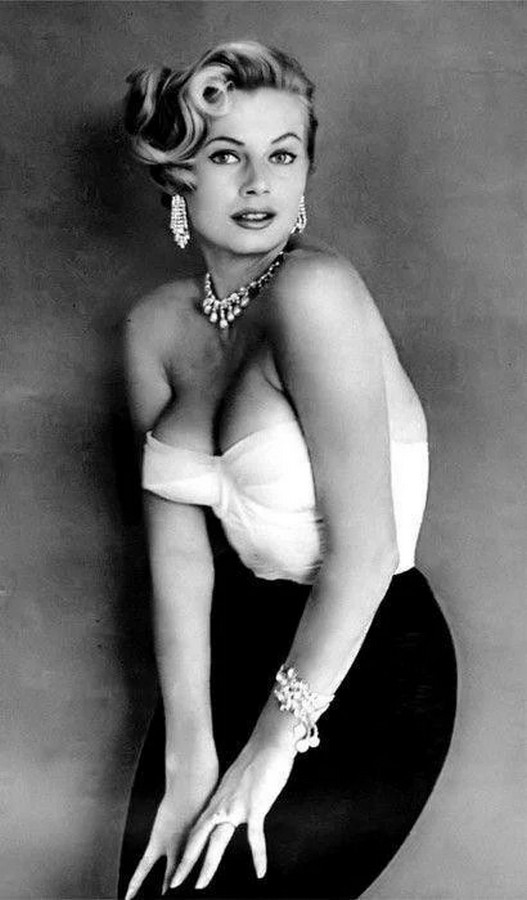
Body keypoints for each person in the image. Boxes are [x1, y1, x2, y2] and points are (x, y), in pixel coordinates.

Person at [117, 40, 457, 900]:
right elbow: (179, 555)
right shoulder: (156, 327)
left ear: (305, 172)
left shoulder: (316, 293)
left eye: (282, 156)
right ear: (178, 176)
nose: (257, 184)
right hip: (236, 644)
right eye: (225, 156)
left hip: (365, 656)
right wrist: (189, 755)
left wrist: (270, 751)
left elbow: (365, 554)